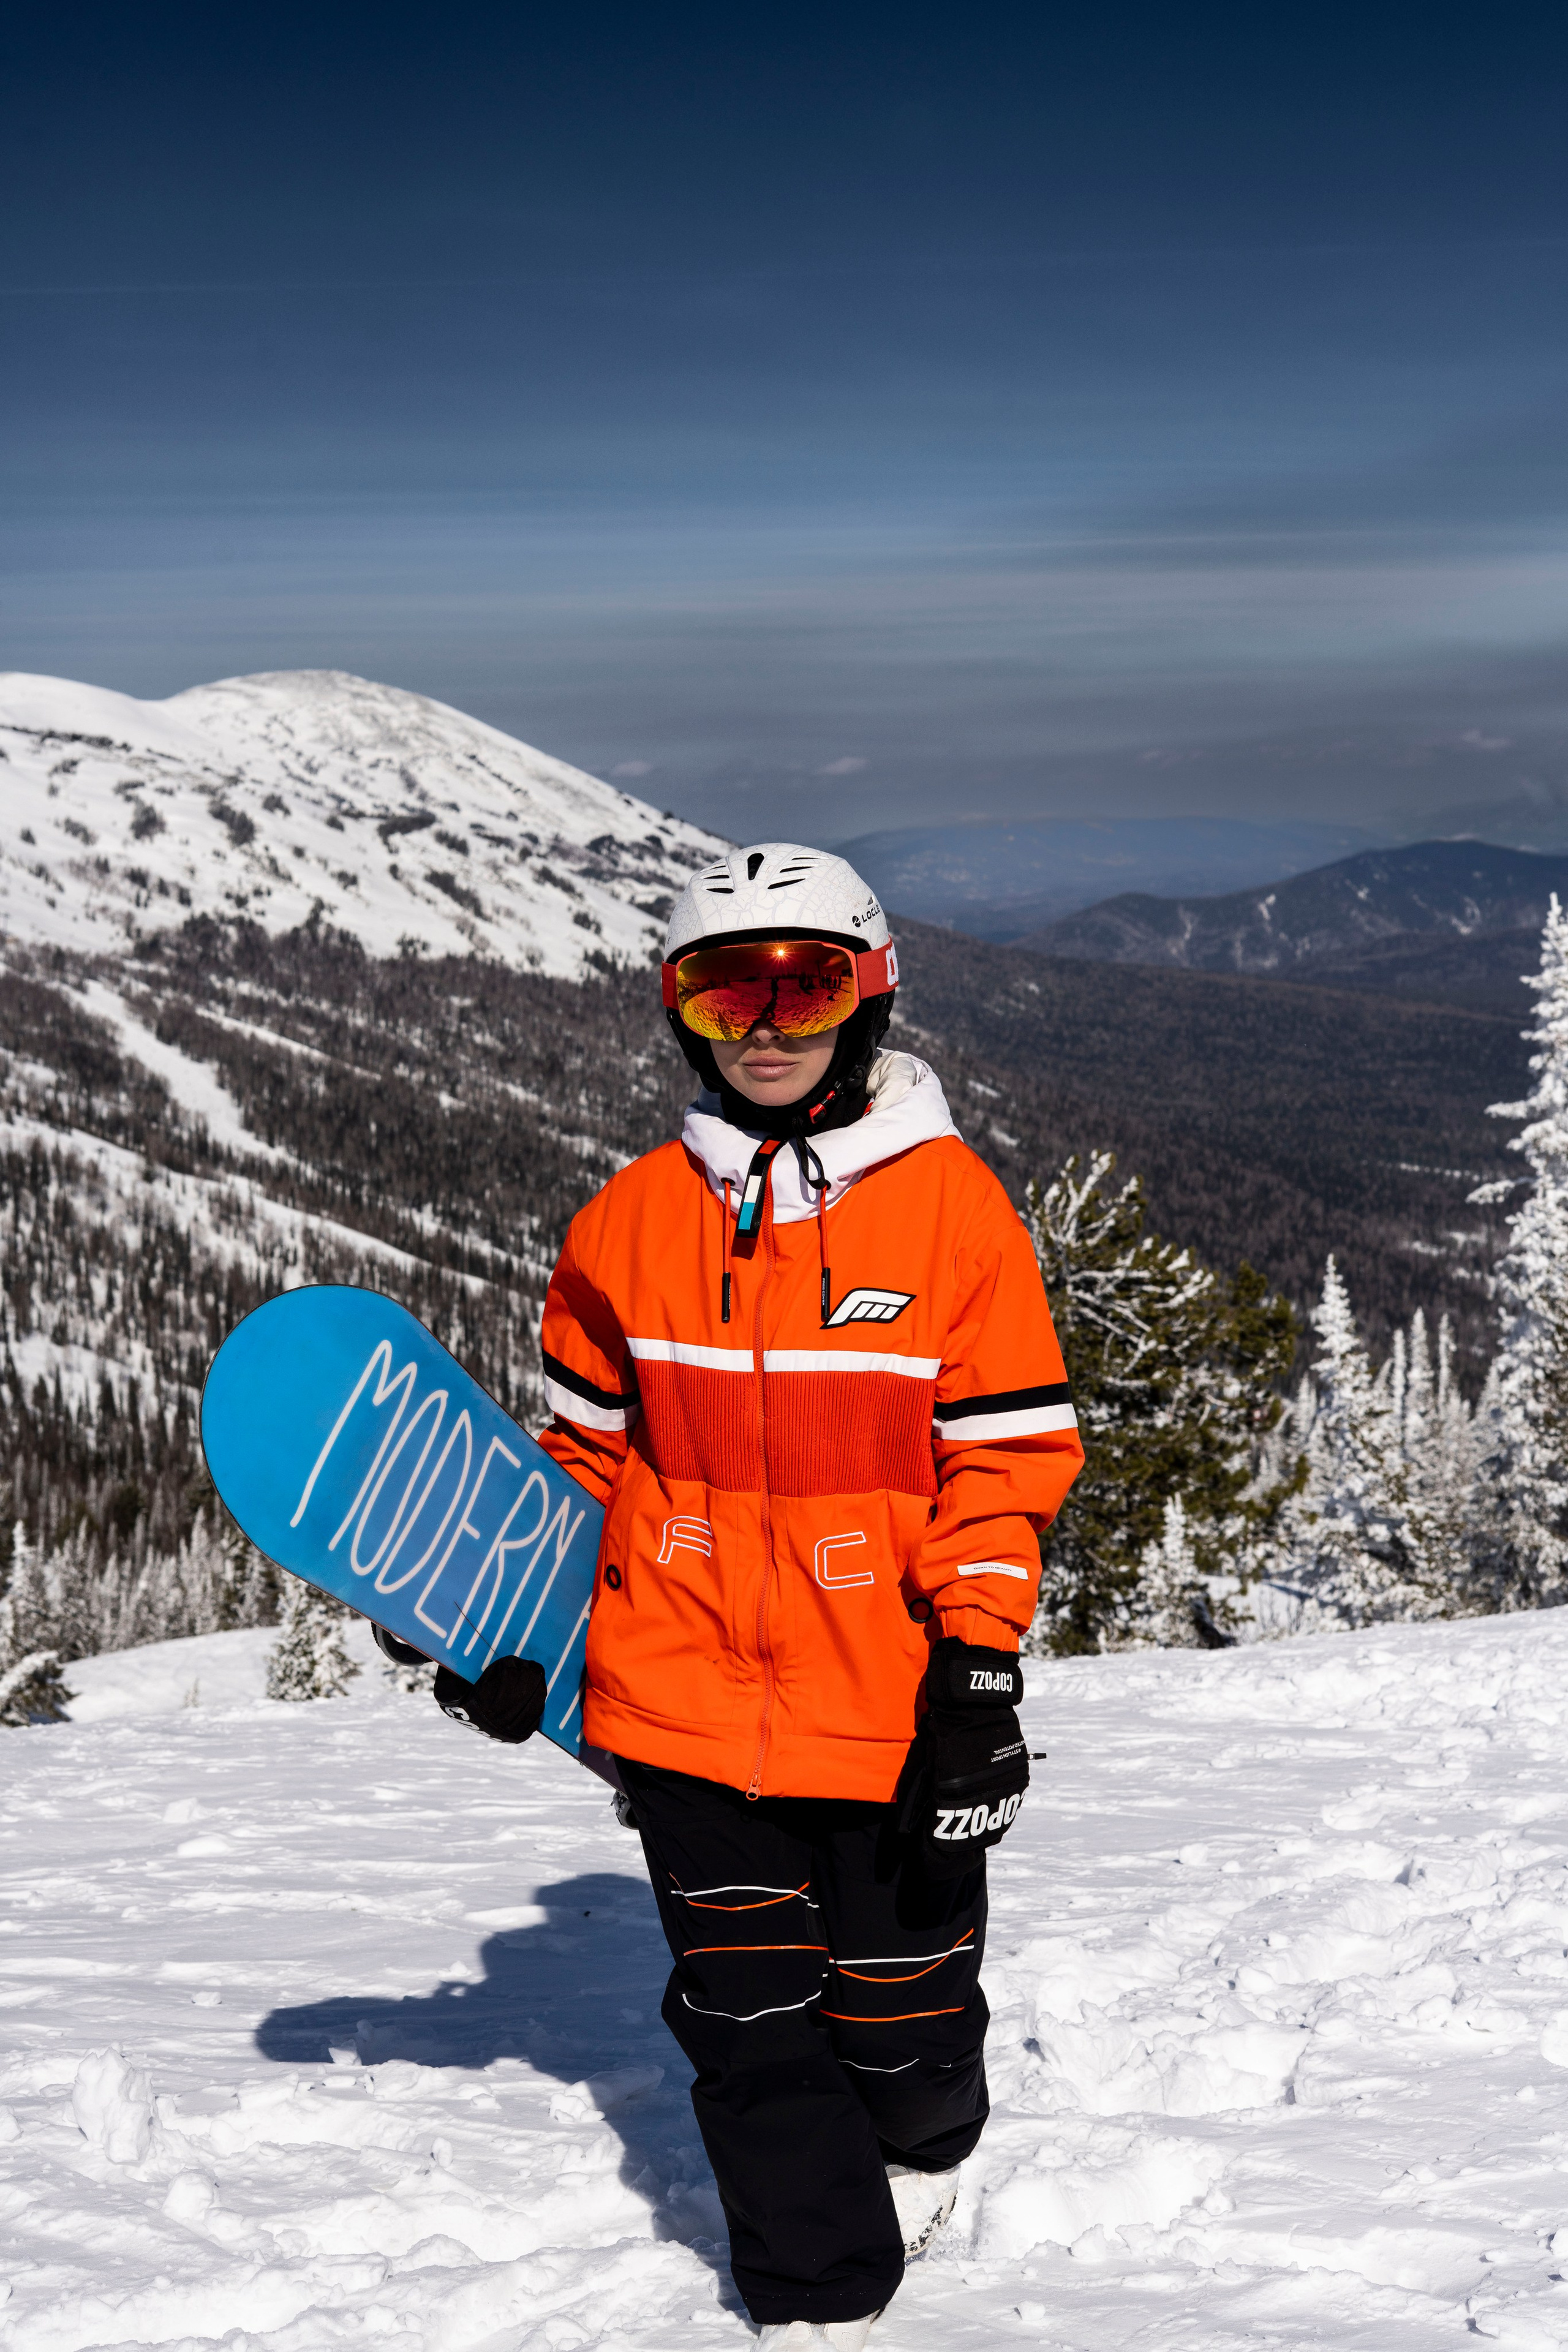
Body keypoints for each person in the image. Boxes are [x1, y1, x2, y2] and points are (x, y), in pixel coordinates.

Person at [435, 843, 1083, 2350]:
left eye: (811, 985)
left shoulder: (952, 1215)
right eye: (725, 993)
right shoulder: (628, 1224)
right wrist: (503, 1619)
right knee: (743, 2017)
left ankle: (928, 2141)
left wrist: (976, 1672)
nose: (770, 1022)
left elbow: (1002, 1464)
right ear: (685, 1018)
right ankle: (818, 2305)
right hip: (678, 1700)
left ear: (870, 999)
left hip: (888, 1700)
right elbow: (584, 1452)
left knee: (901, 2012)